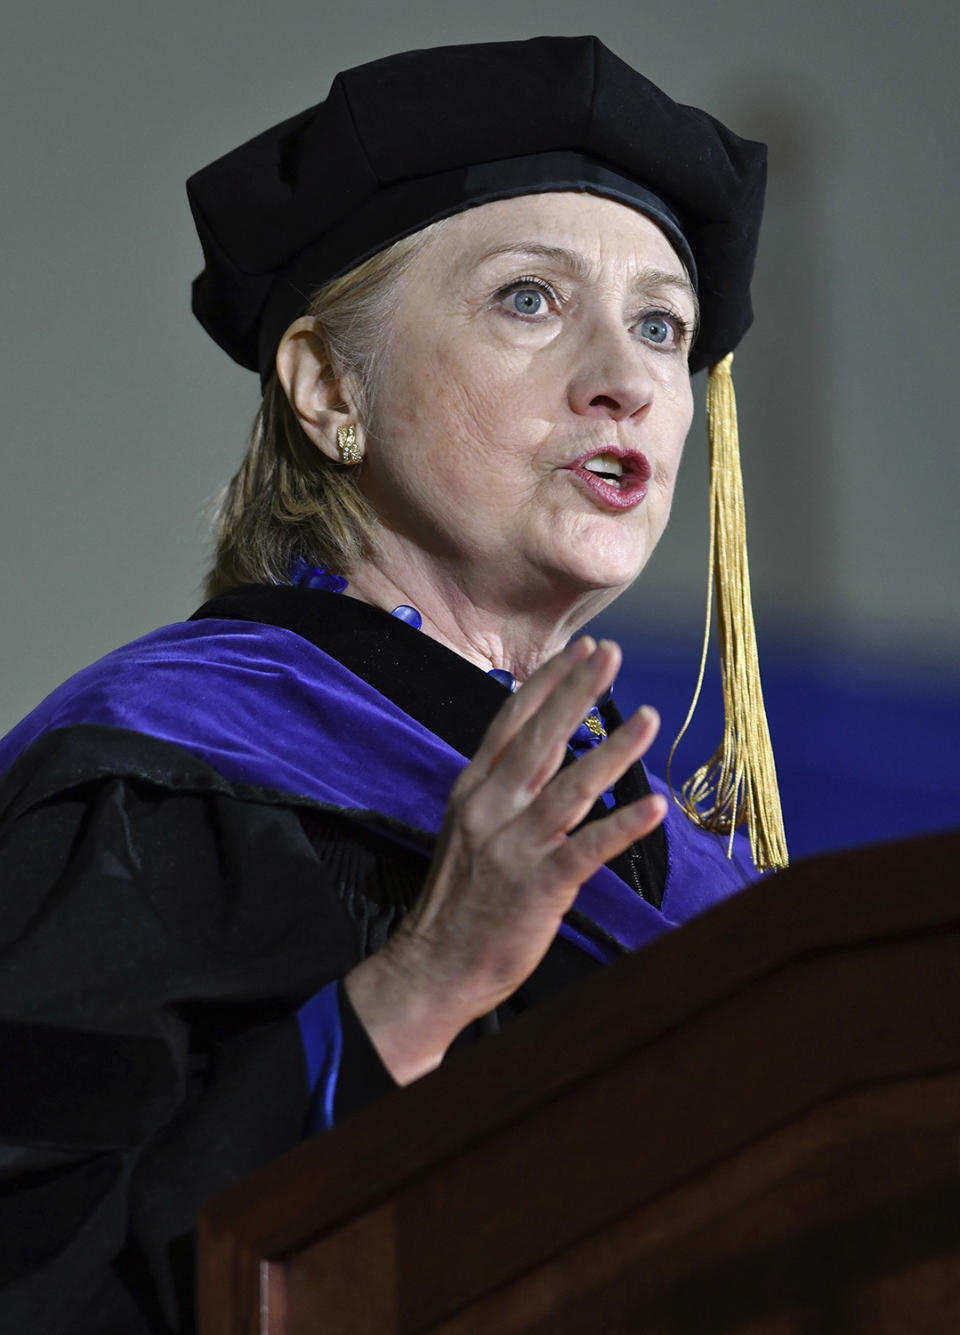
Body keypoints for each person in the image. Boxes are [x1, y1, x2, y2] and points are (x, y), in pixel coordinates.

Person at [0, 35, 786, 1335]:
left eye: (662, 323)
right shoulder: (154, 784)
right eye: (530, 299)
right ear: (325, 383)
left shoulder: (701, 885)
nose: (629, 378)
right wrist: (418, 988)